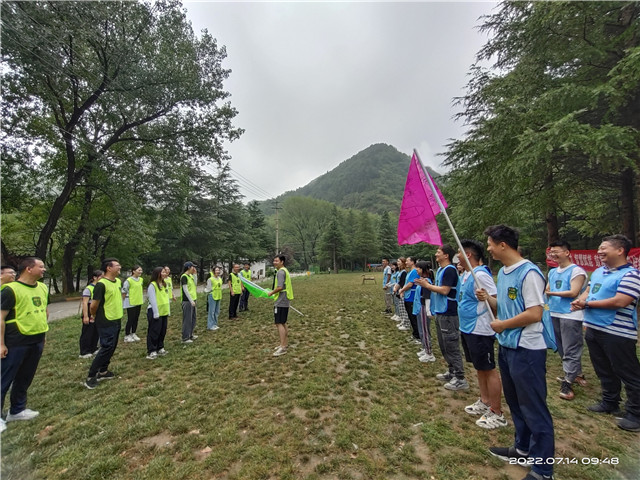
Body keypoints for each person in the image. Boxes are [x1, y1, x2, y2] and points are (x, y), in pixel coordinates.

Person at [476, 225, 554, 480]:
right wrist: (488, 298)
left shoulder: (529, 273)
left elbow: (534, 313)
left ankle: (543, 470)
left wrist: (503, 325)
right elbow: (505, 308)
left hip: (527, 350)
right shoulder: (503, 272)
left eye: (490, 243)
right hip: (507, 347)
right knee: (517, 403)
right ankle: (522, 448)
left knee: (534, 407)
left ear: (503, 245)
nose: (487, 248)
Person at [571, 234, 640, 432]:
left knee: (628, 372)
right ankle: (610, 402)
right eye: (599, 248)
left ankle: (635, 413)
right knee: (603, 369)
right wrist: (581, 300)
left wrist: (588, 303)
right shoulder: (599, 272)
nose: (599, 251)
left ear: (620, 250)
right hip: (594, 327)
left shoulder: (631, 275)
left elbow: (621, 301)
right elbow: (589, 291)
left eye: (604, 248)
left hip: (618, 332)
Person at [456, 240, 505, 429]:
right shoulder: (467, 274)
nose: (457, 256)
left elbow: (497, 302)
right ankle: (484, 401)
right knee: (479, 368)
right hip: (468, 327)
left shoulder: (481, 275)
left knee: (488, 368)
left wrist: (488, 298)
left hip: (480, 328)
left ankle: (497, 411)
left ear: (468, 255)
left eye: (459, 252)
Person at [1, 257, 48, 433]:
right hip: (15, 341)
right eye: (40, 267)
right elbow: (1, 318)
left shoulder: (43, 288)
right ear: (28, 269)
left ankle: (17, 410)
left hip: (36, 339)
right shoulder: (10, 290)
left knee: (25, 377)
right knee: (4, 378)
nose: (44, 270)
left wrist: (43, 334)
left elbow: (44, 311)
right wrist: (1, 344)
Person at [421, 244, 468, 391]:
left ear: (446, 255)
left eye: (438, 252)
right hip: (441, 311)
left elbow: (445, 290)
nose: (436, 254)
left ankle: (460, 378)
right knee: (444, 344)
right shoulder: (441, 269)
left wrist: (427, 286)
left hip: (449, 313)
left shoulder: (450, 270)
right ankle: (452, 371)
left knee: (452, 344)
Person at [546, 240, 588, 401]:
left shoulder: (577, 271)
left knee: (571, 347)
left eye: (557, 251)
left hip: (570, 314)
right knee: (562, 346)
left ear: (567, 253)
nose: (554, 254)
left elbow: (573, 292)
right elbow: (548, 288)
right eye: (552, 252)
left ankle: (568, 382)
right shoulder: (553, 272)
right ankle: (576, 373)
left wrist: (551, 294)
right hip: (555, 313)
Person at [85, 258, 124, 389]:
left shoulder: (118, 281)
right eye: (117, 265)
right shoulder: (101, 284)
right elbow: (93, 305)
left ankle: (103, 371)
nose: (120, 267)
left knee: (112, 346)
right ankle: (91, 375)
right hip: (106, 319)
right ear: (109, 268)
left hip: (117, 318)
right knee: (107, 346)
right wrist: (95, 316)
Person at [268, 255, 294, 357]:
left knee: (279, 323)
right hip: (284, 299)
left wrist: (271, 293)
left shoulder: (281, 272)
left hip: (281, 301)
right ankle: (284, 344)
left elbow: (279, 287)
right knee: (283, 322)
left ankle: (283, 348)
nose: (274, 262)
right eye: (274, 260)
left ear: (282, 262)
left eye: (276, 261)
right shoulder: (284, 271)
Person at [414, 261, 436, 363]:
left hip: (423, 308)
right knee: (421, 330)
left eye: (418, 268)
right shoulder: (422, 280)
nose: (416, 270)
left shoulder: (426, 281)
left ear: (422, 269)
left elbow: (427, 297)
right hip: (420, 308)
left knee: (425, 330)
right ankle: (424, 348)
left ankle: (429, 353)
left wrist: (428, 310)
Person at [146, 267, 169, 359]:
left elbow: (166, 297)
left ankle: (160, 347)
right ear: (157, 273)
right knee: (154, 331)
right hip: (155, 311)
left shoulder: (164, 284)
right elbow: (152, 300)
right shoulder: (152, 285)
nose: (164, 274)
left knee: (162, 331)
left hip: (164, 311)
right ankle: (152, 350)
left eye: (165, 272)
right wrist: (156, 313)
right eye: (162, 272)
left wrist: (168, 311)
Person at [79, 270, 103, 359]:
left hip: (96, 311)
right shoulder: (88, 288)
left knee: (95, 331)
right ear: (95, 278)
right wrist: (86, 316)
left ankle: (93, 348)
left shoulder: (99, 287)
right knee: (87, 332)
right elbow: (85, 303)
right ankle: (84, 351)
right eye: (101, 277)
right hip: (89, 311)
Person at [398, 257, 421, 343]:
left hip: (412, 297)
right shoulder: (410, 272)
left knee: (413, 317)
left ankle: (418, 336)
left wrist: (402, 290)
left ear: (412, 262)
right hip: (408, 296)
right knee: (411, 317)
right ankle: (415, 334)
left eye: (408, 261)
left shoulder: (415, 272)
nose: (406, 262)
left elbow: (410, 284)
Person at [122, 266, 144, 343]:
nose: (140, 271)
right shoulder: (129, 280)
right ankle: (127, 335)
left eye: (141, 270)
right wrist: (122, 302)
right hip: (130, 302)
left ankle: (133, 333)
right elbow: (124, 291)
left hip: (138, 301)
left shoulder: (141, 280)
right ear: (133, 271)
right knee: (130, 319)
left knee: (136, 318)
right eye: (139, 270)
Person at [180, 262, 198, 343]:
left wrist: (195, 274)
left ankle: (190, 334)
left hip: (193, 299)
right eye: (192, 267)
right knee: (187, 319)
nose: (193, 268)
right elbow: (185, 290)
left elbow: (195, 284)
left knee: (193, 318)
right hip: (187, 301)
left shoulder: (190, 276)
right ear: (188, 267)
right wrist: (191, 300)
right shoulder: (184, 277)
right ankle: (185, 337)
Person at [393, 258, 411, 332]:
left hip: (402, 292)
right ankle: (403, 322)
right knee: (401, 308)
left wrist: (399, 290)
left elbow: (402, 282)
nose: (397, 263)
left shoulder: (404, 272)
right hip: (399, 291)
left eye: (399, 261)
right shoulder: (400, 272)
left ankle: (406, 324)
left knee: (404, 309)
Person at [205, 266, 223, 331]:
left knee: (216, 311)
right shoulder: (210, 279)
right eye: (216, 270)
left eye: (218, 270)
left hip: (218, 295)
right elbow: (208, 288)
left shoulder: (220, 278)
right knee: (211, 311)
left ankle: (215, 324)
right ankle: (210, 325)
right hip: (212, 296)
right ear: (213, 271)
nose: (218, 271)